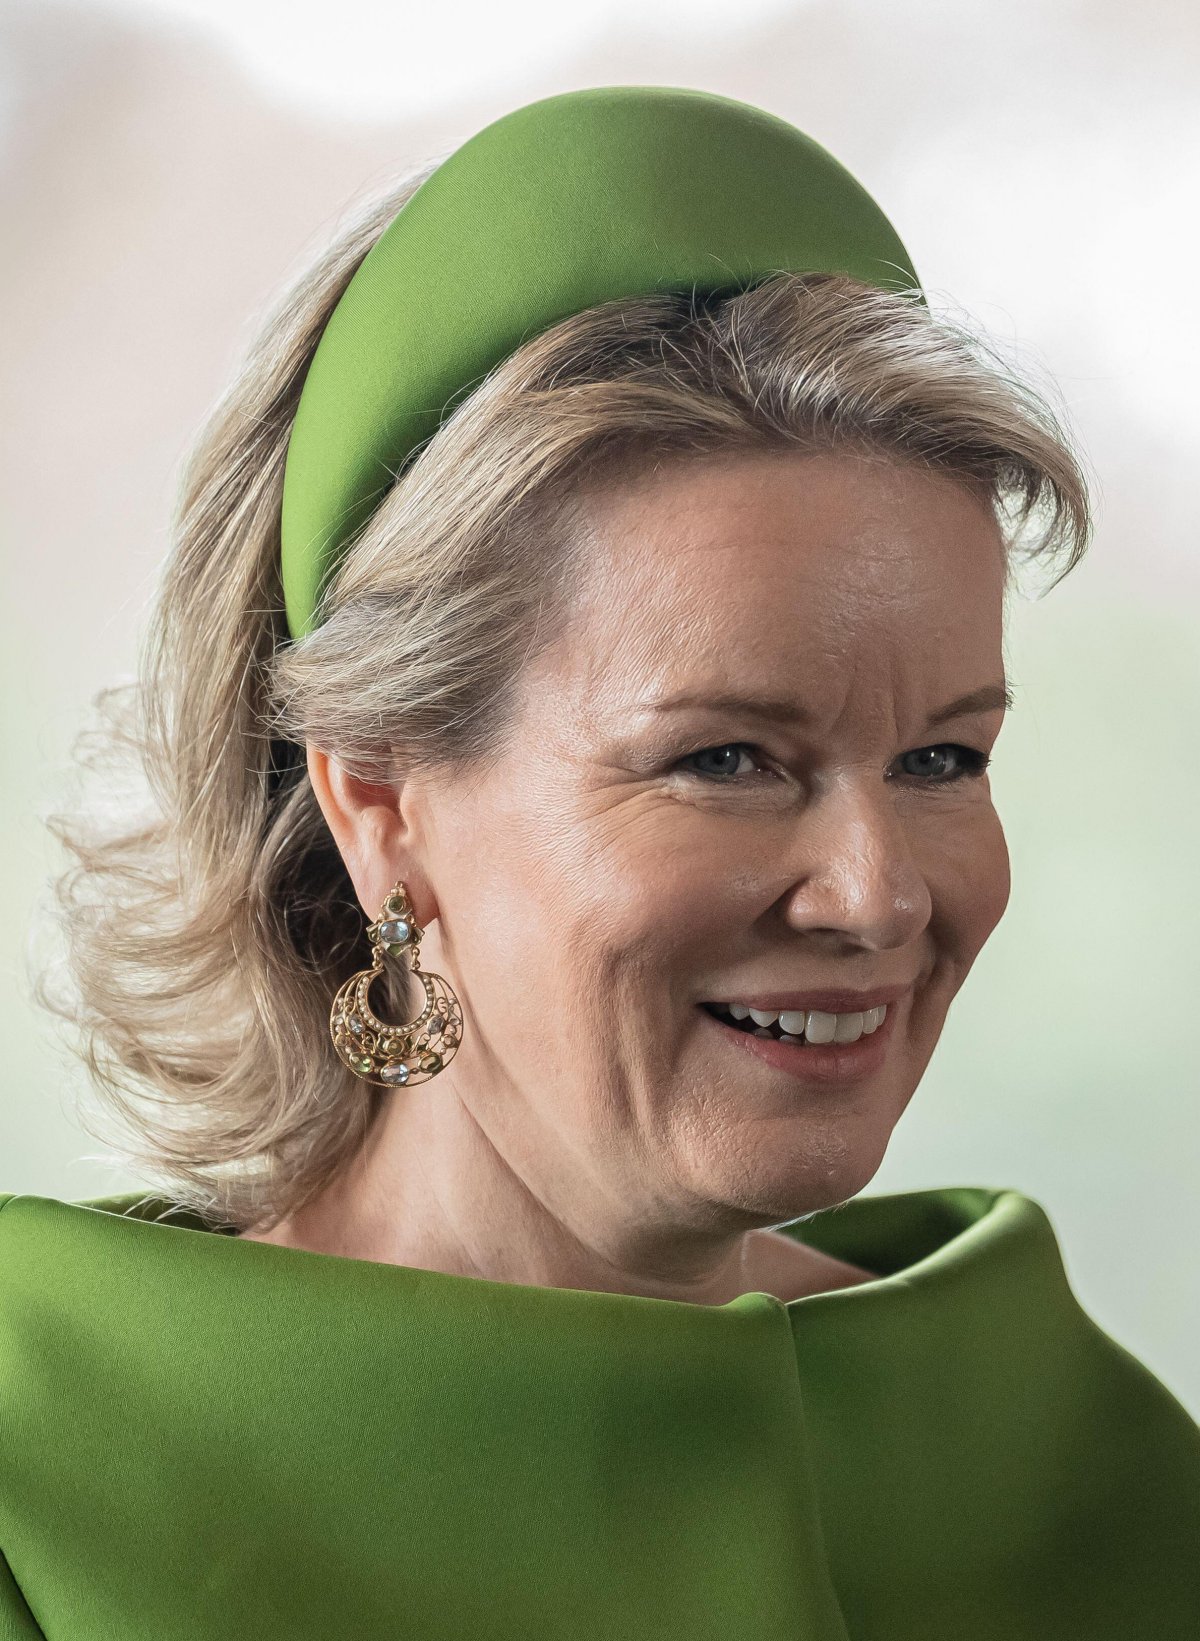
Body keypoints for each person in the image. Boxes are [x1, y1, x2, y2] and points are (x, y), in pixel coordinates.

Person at [2, 85, 1196, 1639]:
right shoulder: (43, 1471)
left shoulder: (1067, 1448)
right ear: (381, 804)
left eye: (941, 757)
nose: (881, 892)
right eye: (726, 759)